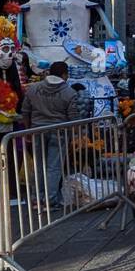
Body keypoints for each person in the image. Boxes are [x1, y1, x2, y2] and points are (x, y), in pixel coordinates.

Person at [20, 62, 79, 208]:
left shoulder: (33, 89)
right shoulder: (70, 93)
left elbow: (25, 111)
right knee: (54, 167)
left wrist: (28, 131)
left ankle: (36, 198)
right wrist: (74, 135)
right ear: (65, 74)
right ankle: (50, 200)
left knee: (39, 165)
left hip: (36, 130)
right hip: (59, 132)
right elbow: (73, 118)